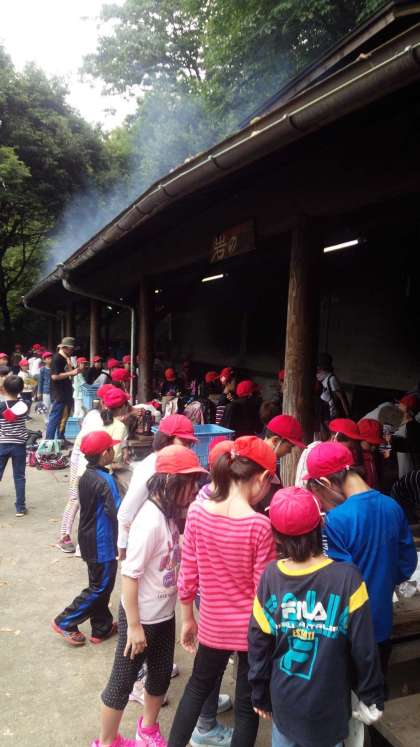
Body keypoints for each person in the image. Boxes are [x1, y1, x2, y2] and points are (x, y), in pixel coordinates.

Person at [248, 486, 384, 747]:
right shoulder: (348, 579)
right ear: (320, 523)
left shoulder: (270, 577)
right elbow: (364, 648)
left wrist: (258, 692)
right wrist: (371, 695)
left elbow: (258, 642)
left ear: (277, 536)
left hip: (285, 702)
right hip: (329, 706)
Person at [93, 445, 207, 747]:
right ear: (169, 482)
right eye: (190, 483)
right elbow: (130, 576)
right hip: (141, 618)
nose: (195, 490)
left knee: (160, 674)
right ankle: (107, 741)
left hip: (163, 615)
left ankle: (148, 729)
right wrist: (133, 626)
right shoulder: (149, 522)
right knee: (122, 681)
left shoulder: (168, 515)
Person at [168, 435, 277, 747]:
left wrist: (188, 618)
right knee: (246, 705)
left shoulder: (197, 512)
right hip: (250, 632)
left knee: (196, 688)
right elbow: (262, 593)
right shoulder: (259, 526)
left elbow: (188, 573)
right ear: (263, 477)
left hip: (213, 626)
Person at [305, 441, 417, 676]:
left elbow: (335, 580)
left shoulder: (336, 520)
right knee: (376, 686)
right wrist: (382, 580)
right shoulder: (392, 506)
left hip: (347, 630)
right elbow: (407, 562)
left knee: (346, 690)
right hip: (382, 624)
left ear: (325, 482)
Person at [52, 431, 121, 646]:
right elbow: (119, 512)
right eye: (111, 448)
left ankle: (102, 627)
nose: (114, 451)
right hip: (102, 543)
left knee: (99, 583)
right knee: (101, 587)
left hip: (88, 538)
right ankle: (65, 620)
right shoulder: (106, 480)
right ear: (105, 453)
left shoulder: (85, 476)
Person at [57, 385, 130, 553]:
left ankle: (72, 540)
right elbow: (112, 457)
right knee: (87, 505)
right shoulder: (117, 426)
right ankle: (75, 542)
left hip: (83, 463)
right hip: (92, 467)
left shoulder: (94, 416)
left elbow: (79, 443)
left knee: (79, 502)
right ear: (123, 407)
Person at [117, 414, 198, 557]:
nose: (187, 448)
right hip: (147, 538)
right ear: (167, 439)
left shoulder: (178, 462)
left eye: (189, 444)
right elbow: (127, 510)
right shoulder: (150, 465)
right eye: (184, 442)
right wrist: (122, 544)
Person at [295, 418, 363, 488]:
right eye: (349, 448)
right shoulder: (314, 449)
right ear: (335, 438)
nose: (350, 452)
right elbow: (301, 484)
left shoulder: (341, 457)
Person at [0, 375, 29, 516]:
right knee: (19, 477)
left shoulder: (1, 406)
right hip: (19, 445)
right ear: (21, 389)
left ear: (3, 389)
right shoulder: (24, 405)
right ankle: (20, 508)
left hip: (2, 444)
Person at [46, 337, 79, 442]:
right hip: (59, 393)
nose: (72, 351)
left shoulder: (66, 358)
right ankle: (49, 440)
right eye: (71, 349)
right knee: (55, 417)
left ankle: (61, 438)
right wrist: (71, 373)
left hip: (66, 391)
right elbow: (54, 376)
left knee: (64, 417)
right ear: (65, 348)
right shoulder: (57, 359)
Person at [316, 353, 349, 437]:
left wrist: (347, 415)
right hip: (321, 410)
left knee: (330, 433)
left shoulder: (331, 379)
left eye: (319, 367)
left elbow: (341, 397)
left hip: (330, 413)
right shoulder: (319, 376)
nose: (318, 369)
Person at [391, 394, 420, 477]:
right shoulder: (403, 424)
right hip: (400, 470)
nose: (398, 407)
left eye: (401, 405)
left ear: (409, 411)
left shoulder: (411, 427)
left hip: (408, 472)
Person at [358, 418, 384, 489]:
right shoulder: (356, 457)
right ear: (359, 439)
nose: (374, 447)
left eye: (376, 444)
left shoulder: (373, 455)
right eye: (370, 444)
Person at [38, 351, 53, 418]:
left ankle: (51, 420)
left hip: (54, 391)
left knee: (53, 407)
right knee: (46, 406)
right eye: (48, 359)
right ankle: (46, 421)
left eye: (51, 358)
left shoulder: (54, 368)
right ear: (44, 360)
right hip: (46, 391)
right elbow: (40, 381)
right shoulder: (42, 369)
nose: (50, 360)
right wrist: (39, 392)